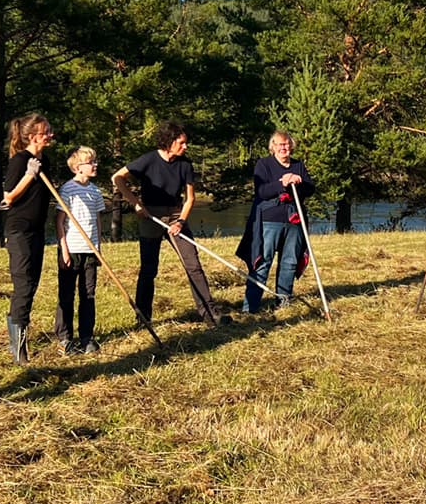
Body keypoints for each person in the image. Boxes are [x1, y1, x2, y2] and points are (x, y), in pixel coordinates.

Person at [111, 121, 227, 327]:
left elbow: (190, 198)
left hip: (175, 215)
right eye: (181, 143)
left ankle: (210, 313)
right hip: (150, 217)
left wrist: (181, 221)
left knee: (193, 265)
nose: (185, 147)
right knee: (149, 269)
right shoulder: (148, 160)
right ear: (169, 142)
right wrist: (136, 203)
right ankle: (143, 318)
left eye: (185, 143)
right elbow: (117, 177)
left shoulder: (185, 165)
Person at [237, 131, 316, 313]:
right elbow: (262, 191)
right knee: (262, 262)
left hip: (294, 221)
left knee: (289, 262)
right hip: (269, 221)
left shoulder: (298, 165)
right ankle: (250, 308)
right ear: (272, 147)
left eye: (286, 144)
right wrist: (282, 182)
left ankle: (283, 303)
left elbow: (310, 189)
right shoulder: (264, 164)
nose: (283, 148)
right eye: (279, 145)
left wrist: (299, 181)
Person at [1, 113, 54, 365]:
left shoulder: (47, 160)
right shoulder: (20, 160)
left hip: (37, 230)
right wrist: (29, 175)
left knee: (32, 284)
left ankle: (18, 332)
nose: (51, 135)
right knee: (23, 285)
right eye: (46, 132)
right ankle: (18, 350)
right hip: (19, 230)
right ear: (33, 136)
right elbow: (8, 197)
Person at [54, 145, 106, 355]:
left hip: (90, 250)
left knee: (88, 294)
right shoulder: (67, 190)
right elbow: (59, 222)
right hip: (72, 249)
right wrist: (64, 250)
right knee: (67, 294)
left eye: (95, 161)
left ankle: (87, 336)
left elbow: (98, 221)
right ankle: (65, 337)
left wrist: (99, 248)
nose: (95, 165)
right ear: (77, 167)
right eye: (90, 162)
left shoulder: (95, 191)